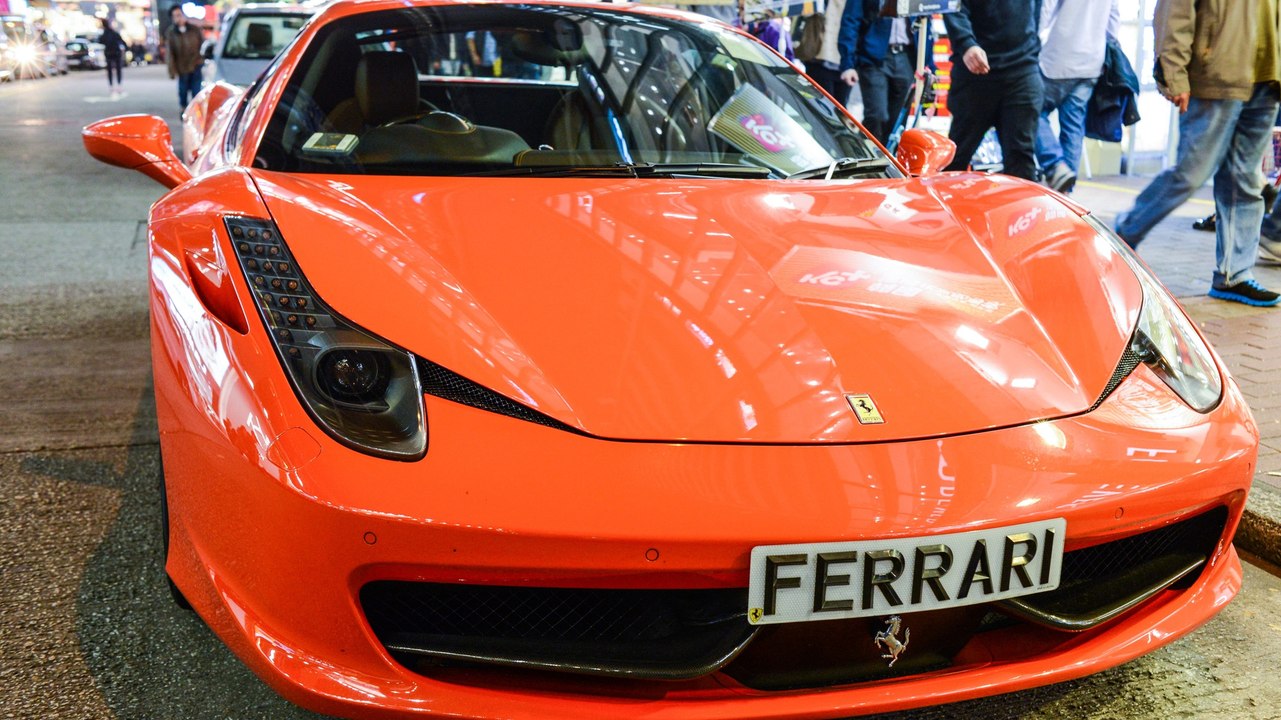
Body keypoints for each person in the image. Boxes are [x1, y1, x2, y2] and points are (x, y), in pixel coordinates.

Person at [1114, 0, 1281, 306]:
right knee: (1191, 173)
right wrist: (1173, 73)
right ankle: (1122, 234)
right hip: (1216, 74)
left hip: (1267, 80)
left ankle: (1235, 275)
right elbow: (1173, 11)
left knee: (1244, 181)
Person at [942, 0, 1043, 181]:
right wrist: (966, 44)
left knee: (1021, 155)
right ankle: (943, 206)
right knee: (957, 155)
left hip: (1022, 69)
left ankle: (1021, 209)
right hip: (976, 74)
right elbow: (953, 7)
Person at [1036, 0, 1119, 193]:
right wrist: (1111, 44)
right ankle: (1065, 193)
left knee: (1030, 111)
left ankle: (1054, 165)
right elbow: (1113, 15)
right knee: (1073, 127)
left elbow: (1046, 8)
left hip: (1059, 58)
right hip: (1091, 61)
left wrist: (1032, 40)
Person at [838, 0, 931, 143]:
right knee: (877, 115)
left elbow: (926, 20)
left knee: (898, 121)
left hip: (906, 57)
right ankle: (869, 157)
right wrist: (847, 63)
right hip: (873, 56)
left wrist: (929, 64)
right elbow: (851, 20)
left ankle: (888, 160)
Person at [796, 0, 850, 109]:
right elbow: (804, 9)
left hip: (846, 60)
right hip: (819, 54)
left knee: (840, 111)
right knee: (820, 107)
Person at [165, 5, 204, 111]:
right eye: (176, 16)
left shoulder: (194, 29)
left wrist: (202, 60)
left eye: (180, 15)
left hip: (196, 66)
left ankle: (196, 114)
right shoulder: (171, 32)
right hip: (182, 68)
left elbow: (203, 46)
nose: (179, 18)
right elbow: (170, 53)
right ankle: (184, 111)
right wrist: (171, 71)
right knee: (183, 93)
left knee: (197, 93)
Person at [99, 18, 126, 96]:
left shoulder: (105, 34)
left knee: (110, 70)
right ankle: (119, 85)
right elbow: (122, 41)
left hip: (109, 53)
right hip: (116, 53)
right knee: (118, 69)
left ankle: (111, 86)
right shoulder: (114, 33)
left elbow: (101, 41)